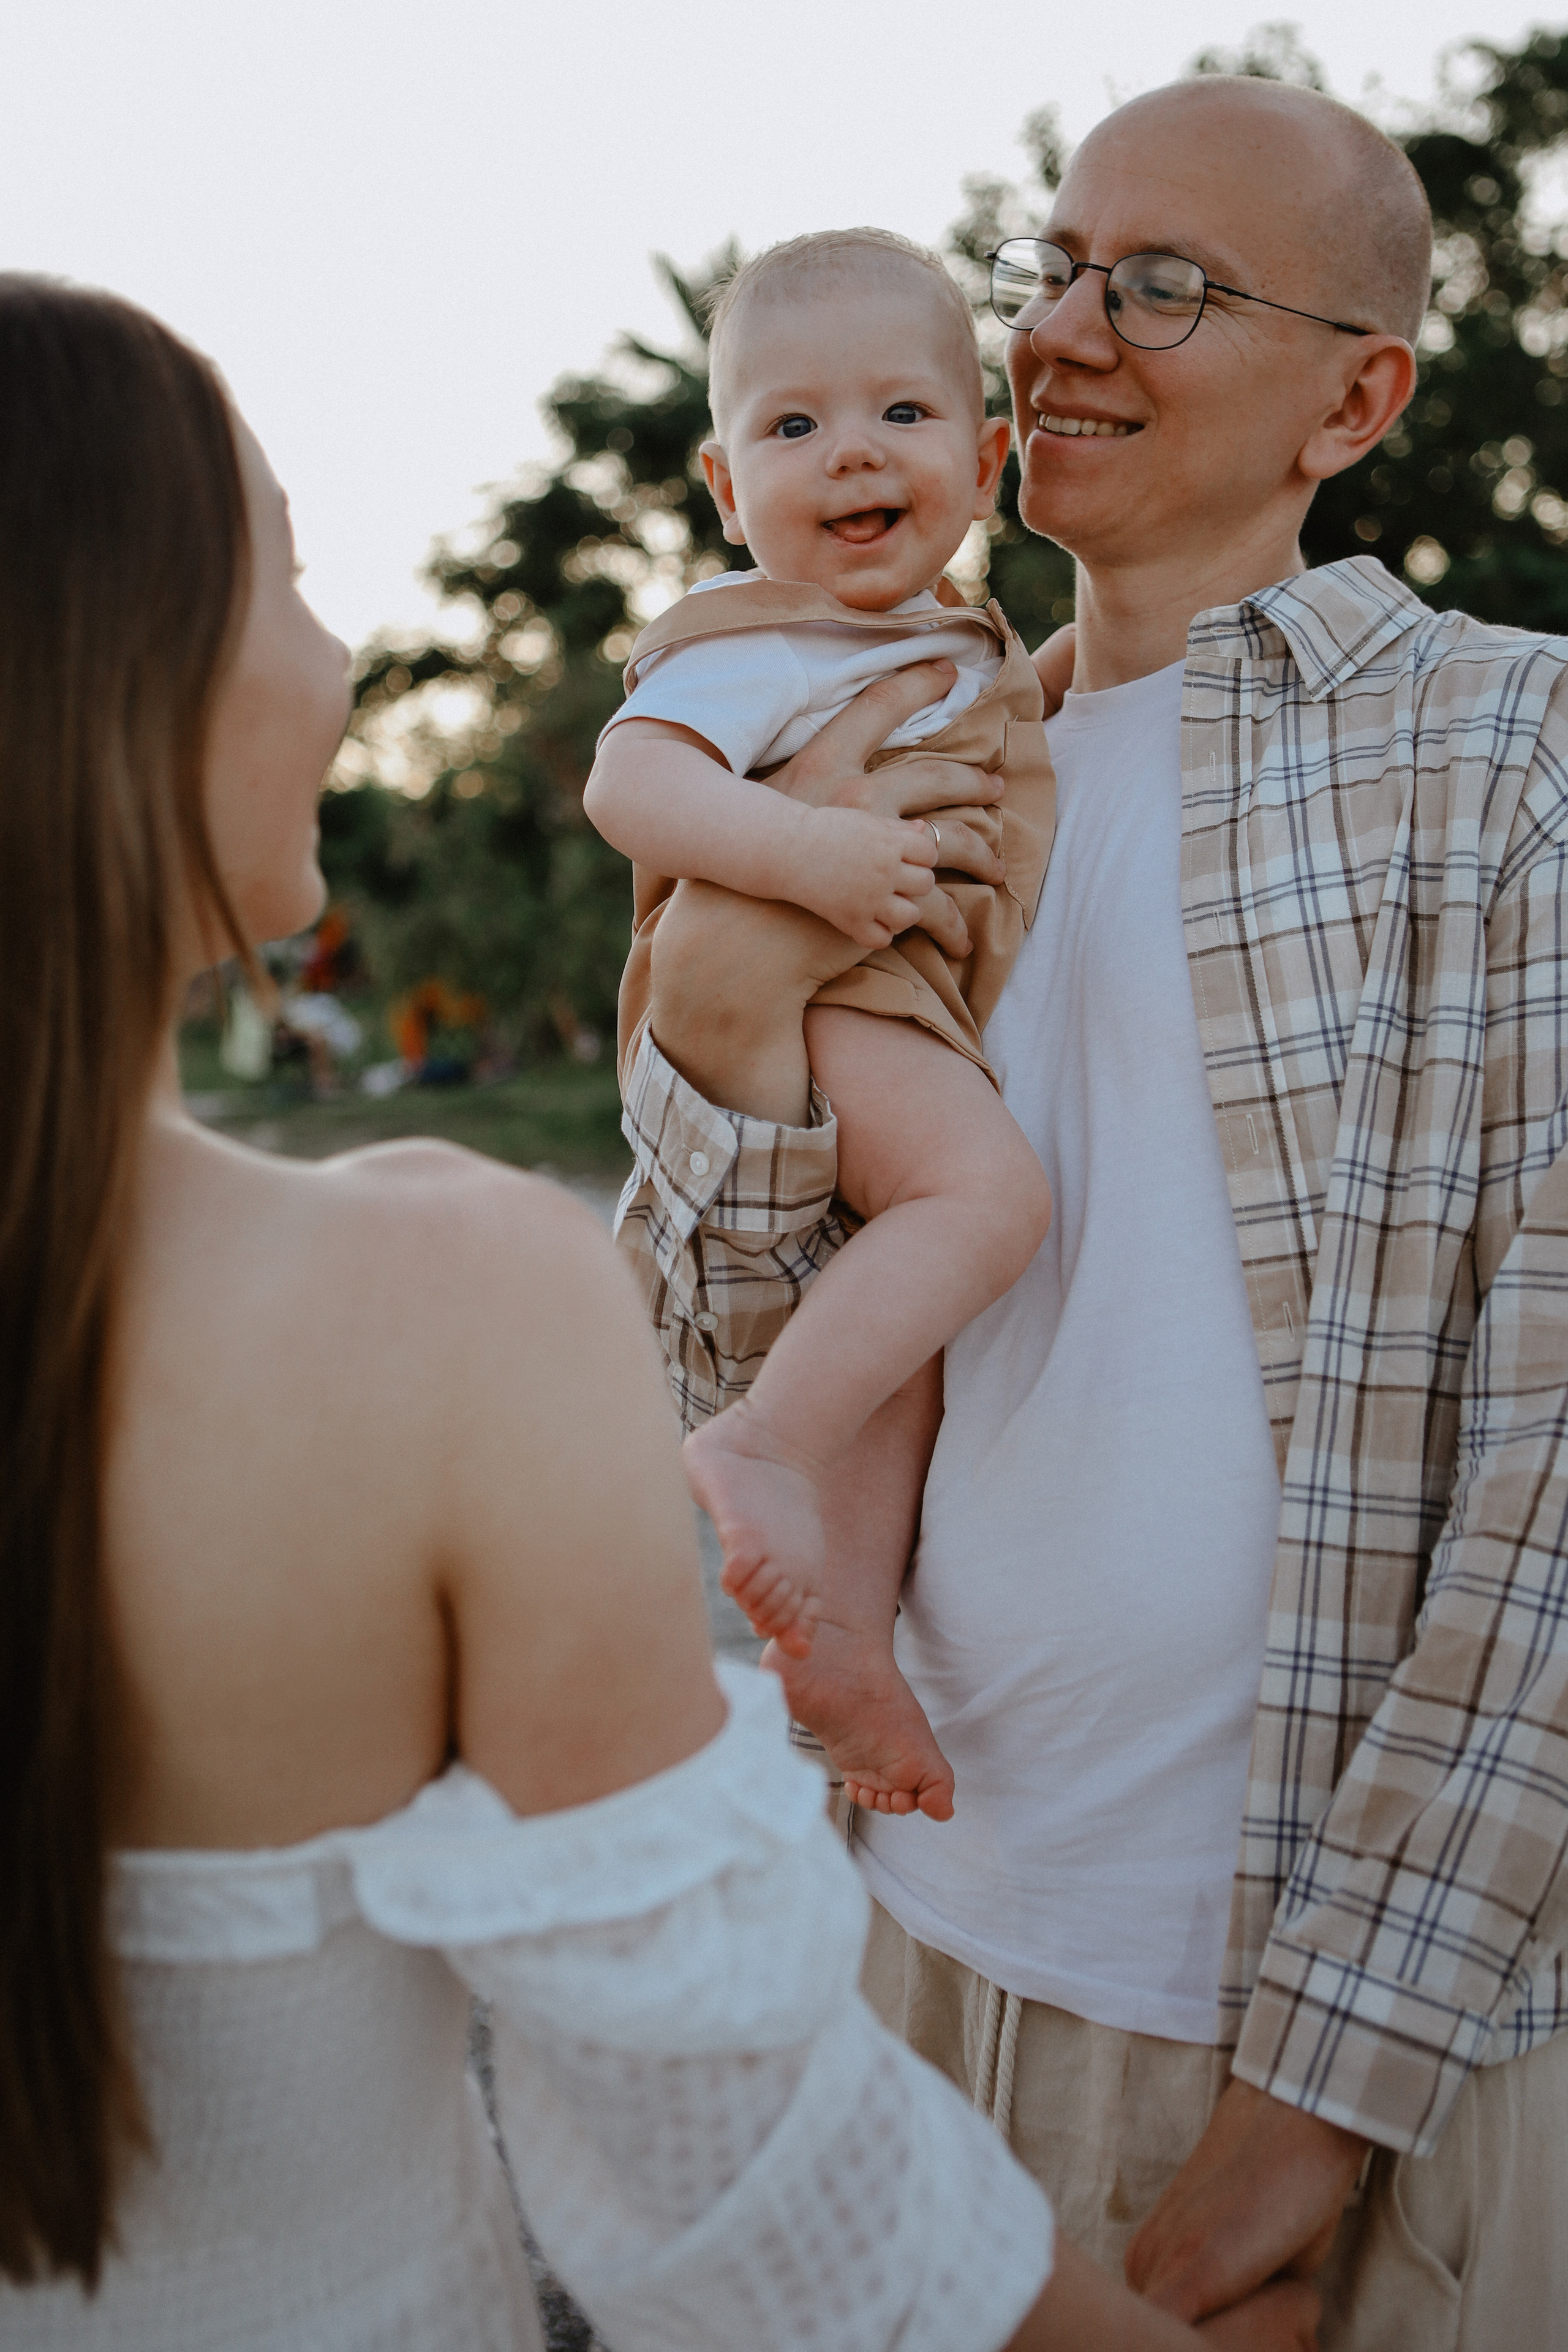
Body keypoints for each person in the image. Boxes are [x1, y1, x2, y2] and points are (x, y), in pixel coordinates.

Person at [0, 277, 1318, 2352]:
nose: (344, 665)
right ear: (105, 664)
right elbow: (724, 2162)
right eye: (295, 574)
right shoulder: (434, 1295)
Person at [616, 73, 1568, 2351]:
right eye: (1051, 269)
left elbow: (1557, 1472)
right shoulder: (878, 774)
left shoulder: (1505, 754)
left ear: (1358, 395)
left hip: (1298, 2027)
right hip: (919, 1931)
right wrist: (724, 1039)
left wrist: (1328, 2089)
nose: (1060, 335)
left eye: (1165, 286)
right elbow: (730, 1355)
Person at [586, 227, 1056, 1823]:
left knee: (900, 1343)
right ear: (728, 493)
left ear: (985, 457)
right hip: (838, 983)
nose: (850, 448)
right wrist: (804, 855)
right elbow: (629, 783)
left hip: (882, 998)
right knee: (986, 1202)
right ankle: (766, 1440)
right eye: (794, 428)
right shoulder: (755, 639)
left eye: (900, 416)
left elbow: (1000, 734)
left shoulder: (939, 644)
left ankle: (845, 1644)